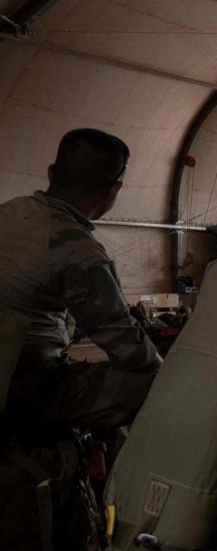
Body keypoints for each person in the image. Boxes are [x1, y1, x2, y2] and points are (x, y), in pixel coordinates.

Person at [0, 129, 162, 430]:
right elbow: (128, 350)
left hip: (8, 363)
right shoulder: (78, 250)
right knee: (158, 382)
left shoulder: (9, 211)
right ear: (114, 190)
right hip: (22, 388)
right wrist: (163, 368)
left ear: (50, 173)